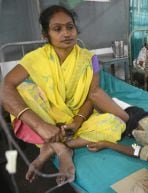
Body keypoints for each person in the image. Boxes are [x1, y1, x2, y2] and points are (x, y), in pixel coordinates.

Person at [2, 5, 128, 184]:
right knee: (20, 93)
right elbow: (6, 87)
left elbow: (93, 95)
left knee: (115, 123)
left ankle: (56, 146)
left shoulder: (90, 59)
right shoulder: (35, 58)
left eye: (70, 27)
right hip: (45, 115)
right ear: (46, 35)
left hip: (75, 118)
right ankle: (61, 150)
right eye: (57, 29)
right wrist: (40, 126)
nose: (66, 33)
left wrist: (77, 121)